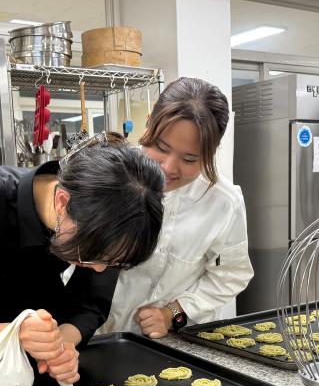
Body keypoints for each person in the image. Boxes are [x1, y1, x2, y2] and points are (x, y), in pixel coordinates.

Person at [0, 141, 165, 383]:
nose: (100, 268)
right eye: (92, 256)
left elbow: (92, 303)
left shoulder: (105, 225)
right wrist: (16, 334)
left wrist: (62, 343)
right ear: (62, 202)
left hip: (42, 368)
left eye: (113, 263)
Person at [99, 77, 253, 338]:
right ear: (149, 122)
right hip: (93, 334)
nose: (169, 168)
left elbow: (231, 274)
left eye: (189, 159)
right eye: (161, 147)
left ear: (211, 152)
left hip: (172, 342)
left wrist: (173, 312)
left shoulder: (222, 201)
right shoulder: (110, 176)